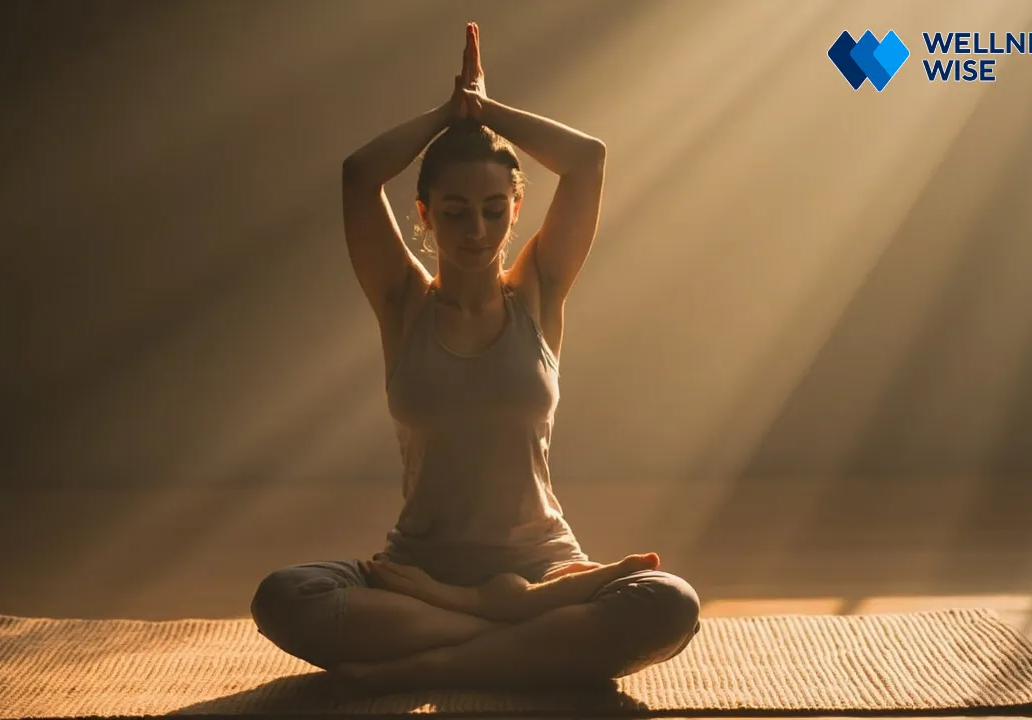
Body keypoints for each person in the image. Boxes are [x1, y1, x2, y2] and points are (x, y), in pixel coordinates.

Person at [250, 22, 700, 694]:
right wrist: (446, 112)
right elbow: (358, 174)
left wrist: (486, 111)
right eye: (456, 212)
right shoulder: (403, 302)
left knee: (669, 603)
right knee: (285, 596)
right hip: (415, 576)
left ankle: (439, 658)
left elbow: (588, 158)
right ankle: (516, 636)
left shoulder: (539, 291)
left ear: (516, 208)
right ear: (425, 216)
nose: (477, 230)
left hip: (546, 570)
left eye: (494, 209)